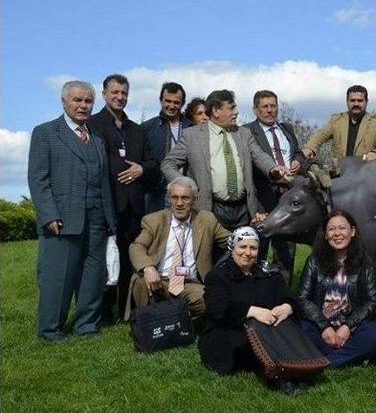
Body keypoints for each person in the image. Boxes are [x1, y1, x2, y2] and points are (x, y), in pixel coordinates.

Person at [28, 80, 117, 341]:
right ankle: (50, 330)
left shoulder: (97, 138)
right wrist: (48, 215)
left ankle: (87, 326)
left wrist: (108, 219)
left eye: (88, 101)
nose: (83, 106)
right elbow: (38, 178)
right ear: (64, 101)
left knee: (93, 276)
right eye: (77, 100)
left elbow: (103, 183)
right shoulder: (45, 132)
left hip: (97, 219)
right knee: (58, 278)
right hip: (62, 220)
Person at [198, 227, 307, 395]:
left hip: (268, 329)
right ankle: (281, 378)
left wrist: (287, 307)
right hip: (229, 333)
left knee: (288, 326)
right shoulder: (218, 276)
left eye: (253, 248)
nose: (248, 253)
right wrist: (251, 311)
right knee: (253, 338)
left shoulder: (269, 273)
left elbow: (289, 297)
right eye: (242, 247)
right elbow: (216, 308)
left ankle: (299, 368)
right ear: (232, 249)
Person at [87, 73, 159, 323]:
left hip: (134, 207)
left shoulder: (137, 130)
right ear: (104, 93)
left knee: (129, 259)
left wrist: (141, 168)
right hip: (107, 204)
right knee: (105, 260)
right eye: (115, 92)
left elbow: (153, 163)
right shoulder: (93, 124)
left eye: (124, 93)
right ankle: (103, 314)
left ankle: (127, 310)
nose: (120, 97)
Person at [161, 89, 285, 230]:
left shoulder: (244, 134)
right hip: (209, 209)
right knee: (210, 251)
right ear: (216, 111)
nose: (236, 112)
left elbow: (259, 155)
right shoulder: (192, 136)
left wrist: (273, 168)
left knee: (243, 251)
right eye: (231, 108)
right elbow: (168, 163)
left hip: (244, 210)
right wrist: (183, 185)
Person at [126, 177, 229, 320]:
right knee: (139, 280)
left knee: (209, 299)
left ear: (194, 200)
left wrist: (252, 230)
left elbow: (232, 239)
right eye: (175, 197)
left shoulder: (206, 219)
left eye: (185, 198)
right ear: (168, 199)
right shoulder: (154, 220)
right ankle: (147, 322)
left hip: (189, 283)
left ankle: (176, 320)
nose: (179, 203)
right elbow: (137, 246)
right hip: (159, 280)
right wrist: (148, 267)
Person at [298, 209, 376, 368]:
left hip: (352, 330)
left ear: (352, 231)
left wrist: (347, 326)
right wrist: (324, 326)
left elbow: (372, 301)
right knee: (298, 328)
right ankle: (347, 357)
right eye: (331, 229)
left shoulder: (365, 263)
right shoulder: (314, 261)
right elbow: (302, 298)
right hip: (320, 327)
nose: (337, 233)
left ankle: (327, 361)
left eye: (342, 228)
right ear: (326, 235)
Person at [244, 90, 305, 284]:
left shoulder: (287, 128)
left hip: (287, 198)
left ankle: (282, 293)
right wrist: (273, 173)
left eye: (273, 106)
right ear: (255, 109)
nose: (270, 110)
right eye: (265, 106)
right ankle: (255, 291)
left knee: (286, 251)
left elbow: (297, 152)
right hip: (263, 197)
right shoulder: (246, 131)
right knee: (257, 248)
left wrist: (297, 161)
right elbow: (250, 162)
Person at [302, 85, 376, 164]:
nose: (356, 104)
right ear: (347, 101)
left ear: (366, 102)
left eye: (360, 101)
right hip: (340, 173)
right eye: (352, 100)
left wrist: (375, 153)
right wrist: (310, 148)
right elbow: (319, 135)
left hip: (365, 172)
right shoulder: (336, 121)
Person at [142, 82, 192, 213]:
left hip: (185, 191)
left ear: (182, 103)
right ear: (161, 101)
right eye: (167, 101)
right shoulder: (147, 128)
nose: (171, 106)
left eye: (176, 102)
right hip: (157, 192)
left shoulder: (191, 127)